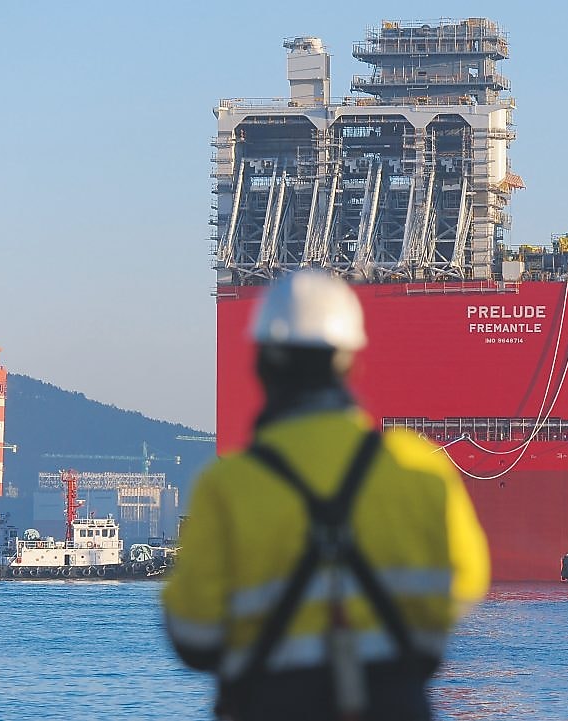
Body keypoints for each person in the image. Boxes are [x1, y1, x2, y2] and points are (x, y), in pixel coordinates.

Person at [163, 269, 490, 721]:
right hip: (397, 703)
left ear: (262, 364)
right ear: (353, 363)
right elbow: (468, 581)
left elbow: (192, 638)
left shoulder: (227, 487)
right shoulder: (420, 466)